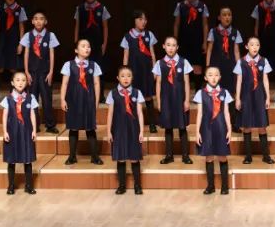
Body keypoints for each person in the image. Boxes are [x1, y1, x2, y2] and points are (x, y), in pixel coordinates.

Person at [60, 39, 102, 166]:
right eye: (83, 46)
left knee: (90, 128)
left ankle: (94, 157)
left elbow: (96, 84)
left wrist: (96, 102)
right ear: (76, 50)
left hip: (88, 100)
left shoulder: (94, 65)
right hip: (73, 100)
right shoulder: (68, 65)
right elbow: (64, 83)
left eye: (88, 46)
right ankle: (72, 156)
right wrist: (62, 99)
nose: (87, 48)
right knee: (73, 128)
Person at [153, 36, 192, 164]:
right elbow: (158, 83)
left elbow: (186, 82)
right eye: (168, 45)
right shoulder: (159, 63)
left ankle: (185, 155)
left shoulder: (183, 62)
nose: (171, 48)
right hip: (166, 100)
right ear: (163, 46)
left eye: (173, 45)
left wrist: (187, 100)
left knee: (182, 127)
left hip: (180, 99)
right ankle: (169, 155)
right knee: (168, 128)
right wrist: (159, 102)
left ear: (177, 47)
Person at [106, 67, 145, 195]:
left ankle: (137, 185)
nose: (126, 78)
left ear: (132, 78)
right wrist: (108, 131)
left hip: (133, 129)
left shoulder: (137, 93)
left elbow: (140, 113)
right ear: (118, 78)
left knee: (134, 158)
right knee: (121, 158)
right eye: (122, 76)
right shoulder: (113, 93)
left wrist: (141, 131)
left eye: (128, 75)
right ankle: (122, 185)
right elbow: (110, 114)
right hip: (118, 130)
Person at [195, 66, 234, 195]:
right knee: (209, 157)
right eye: (210, 75)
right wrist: (197, 132)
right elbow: (200, 114)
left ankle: (225, 186)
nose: (213, 77)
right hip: (206, 128)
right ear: (205, 78)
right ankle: (210, 186)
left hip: (221, 127)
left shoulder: (224, 93)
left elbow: (227, 113)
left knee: (222, 156)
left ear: (220, 77)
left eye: (216, 75)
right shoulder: (201, 93)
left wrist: (229, 129)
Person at [236, 36, 274, 164]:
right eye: (252, 44)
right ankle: (248, 156)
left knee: (262, 126)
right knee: (247, 127)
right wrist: (238, 98)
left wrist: (267, 97)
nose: (255, 47)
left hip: (259, 96)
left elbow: (265, 80)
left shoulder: (264, 61)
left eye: (257, 45)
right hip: (246, 96)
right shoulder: (241, 62)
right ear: (246, 46)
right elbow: (239, 81)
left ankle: (266, 155)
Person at [20, 11, 59, 133]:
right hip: (32, 72)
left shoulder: (50, 35)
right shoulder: (28, 35)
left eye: (41, 19)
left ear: (45, 21)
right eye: (36, 19)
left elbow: (52, 55)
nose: (38, 21)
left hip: (45, 72)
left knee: (47, 98)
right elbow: (26, 54)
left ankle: (50, 125)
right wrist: (26, 72)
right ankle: (34, 125)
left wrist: (51, 72)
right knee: (32, 99)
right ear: (32, 21)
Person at [120, 10, 158, 133]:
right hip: (134, 71)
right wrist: (124, 73)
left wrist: (154, 70)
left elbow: (152, 53)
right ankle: (133, 123)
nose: (143, 22)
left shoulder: (149, 35)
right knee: (133, 97)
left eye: (145, 19)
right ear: (135, 20)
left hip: (147, 71)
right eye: (140, 19)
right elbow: (126, 55)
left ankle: (152, 123)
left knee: (148, 96)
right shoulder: (128, 36)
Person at [0, 71, 37, 194]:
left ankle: (29, 185)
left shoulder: (30, 98)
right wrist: (5, 131)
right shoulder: (8, 99)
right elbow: (5, 116)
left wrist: (34, 130)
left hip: (26, 132)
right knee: (11, 159)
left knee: (27, 158)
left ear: (26, 83)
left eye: (23, 80)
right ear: (12, 83)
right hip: (12, 132)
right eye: (17, 80)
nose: (20, 83)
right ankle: (11, 185)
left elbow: (32, 115)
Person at [206, 7, 243, 127]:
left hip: (230, 66)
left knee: (231, 93)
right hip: (216, 67)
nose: (227, 17)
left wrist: (239, 67)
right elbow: (209, 50)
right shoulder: (213, 31)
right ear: (219, 17)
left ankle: (233, 122)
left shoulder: (235, 32)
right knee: (216, 93)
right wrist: (208, 67)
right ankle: (216, 121)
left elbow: (236, 51)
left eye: (229, 15)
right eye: (224, 15)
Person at [73, 0, 110, 96]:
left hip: (97, 44)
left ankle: (100, 95)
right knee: (83, 67)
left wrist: (104, 44)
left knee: (98, 68)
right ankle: (83, 92)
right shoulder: (79, 8)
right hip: (83, 43)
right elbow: (77, 26)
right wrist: (76, 43)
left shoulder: (102, 8)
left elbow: (105, 27)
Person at [0, 0, 26, 102]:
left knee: (13, 69)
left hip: (14, 42)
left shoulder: (20, 9)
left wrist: (21, 44)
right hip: (2, 42)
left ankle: (12, 96)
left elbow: (21, 27)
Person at [172, 0, 209, 82]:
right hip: (183, 41)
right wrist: (175, 41)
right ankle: (185, 89)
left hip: (197, 41)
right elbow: (176, 25)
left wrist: (205, 42)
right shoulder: (180, 6)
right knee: (183, 67)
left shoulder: (202, 6)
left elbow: (205, 25)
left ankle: (197, 89)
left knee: (197, 68)